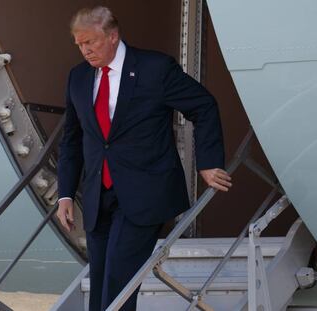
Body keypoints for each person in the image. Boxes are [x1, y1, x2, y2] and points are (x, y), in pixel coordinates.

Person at [56, 6, 232, 311]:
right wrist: (65, 194)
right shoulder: (79, 78)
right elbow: (72, 140)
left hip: (145, 192)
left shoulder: (155, 68)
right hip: (99, 196)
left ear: (112, 36)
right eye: (80, 45)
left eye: (91, 43)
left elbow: (203, 106)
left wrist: (208, 162)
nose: (85, 51)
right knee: (100, 281)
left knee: (118, 280)